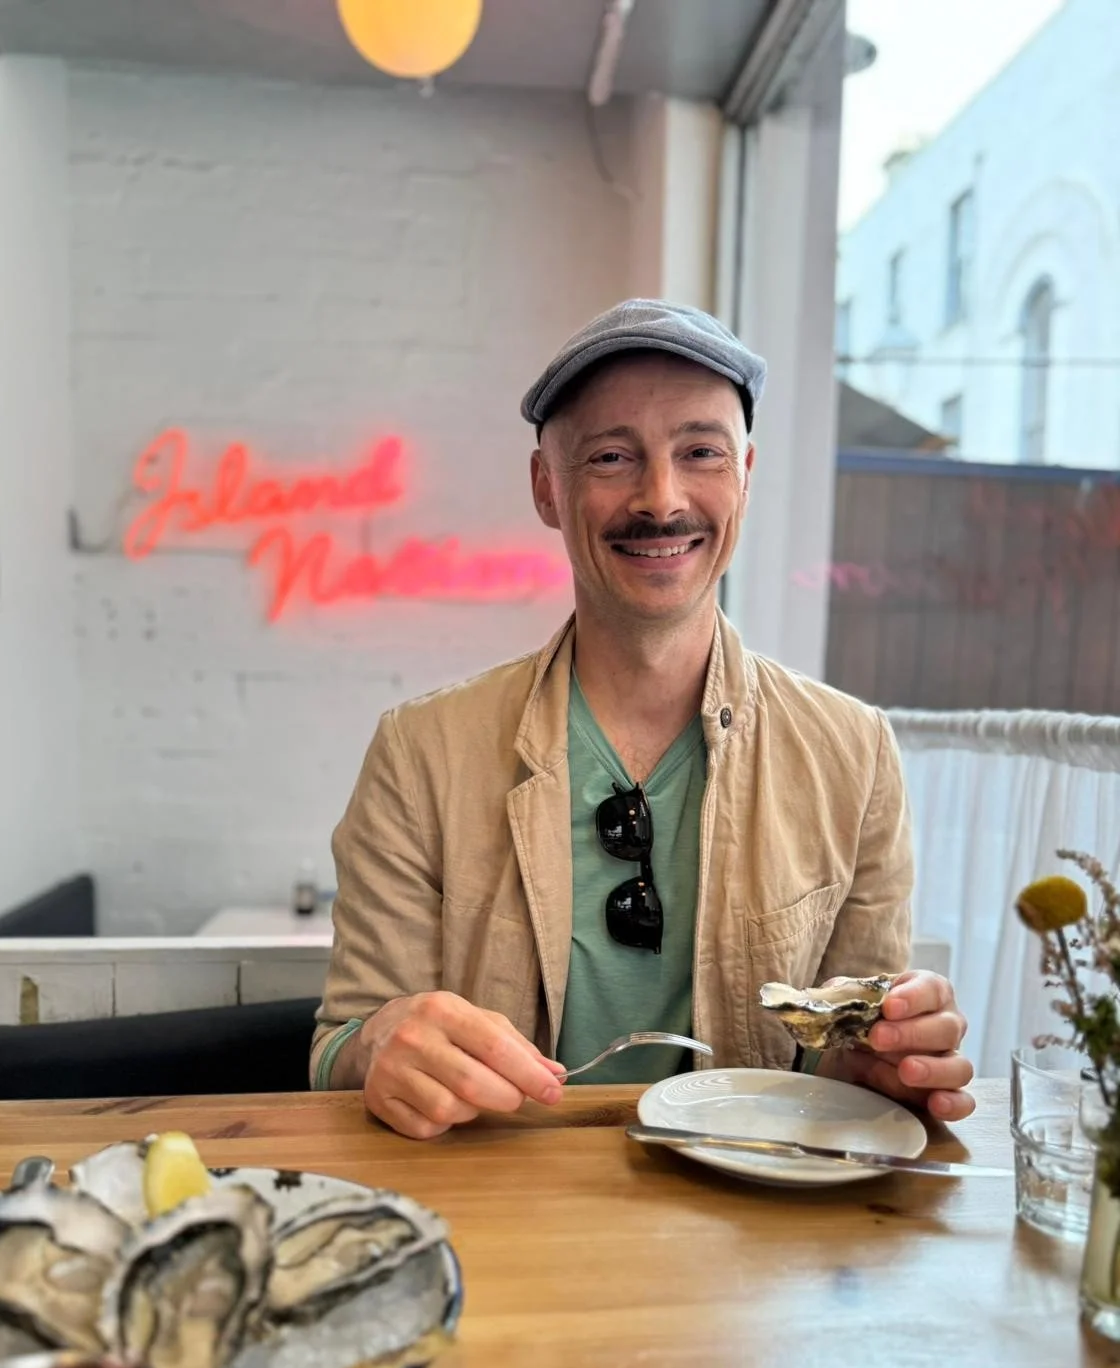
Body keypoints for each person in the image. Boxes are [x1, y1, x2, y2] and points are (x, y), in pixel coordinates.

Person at [311, 300, 973, 1139]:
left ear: (745, 474)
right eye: (612, 457)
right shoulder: (422, 753)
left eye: (701, 452)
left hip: (751, 1211)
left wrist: (888, 1065)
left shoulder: (855, 755)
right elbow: (338, 1050)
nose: (661, 500)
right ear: (547, 487)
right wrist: (378, 1045)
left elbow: (848, 1063)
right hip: (503, 1201)